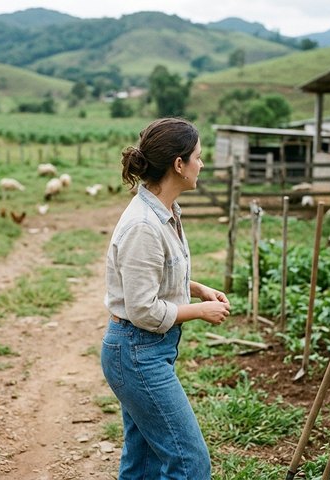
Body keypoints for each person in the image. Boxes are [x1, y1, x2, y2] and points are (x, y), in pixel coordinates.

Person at [101, 117, 231, 479]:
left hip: (143, 351)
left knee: (143, 462)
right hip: (137, 352)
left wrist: (198, 287)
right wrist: (200, 311)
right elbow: (143, 309)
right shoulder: (144, 225)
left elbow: (152, 277)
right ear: (179, 164)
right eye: (198, 157)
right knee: (190, 462)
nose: (202, 164)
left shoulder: (166, 213)